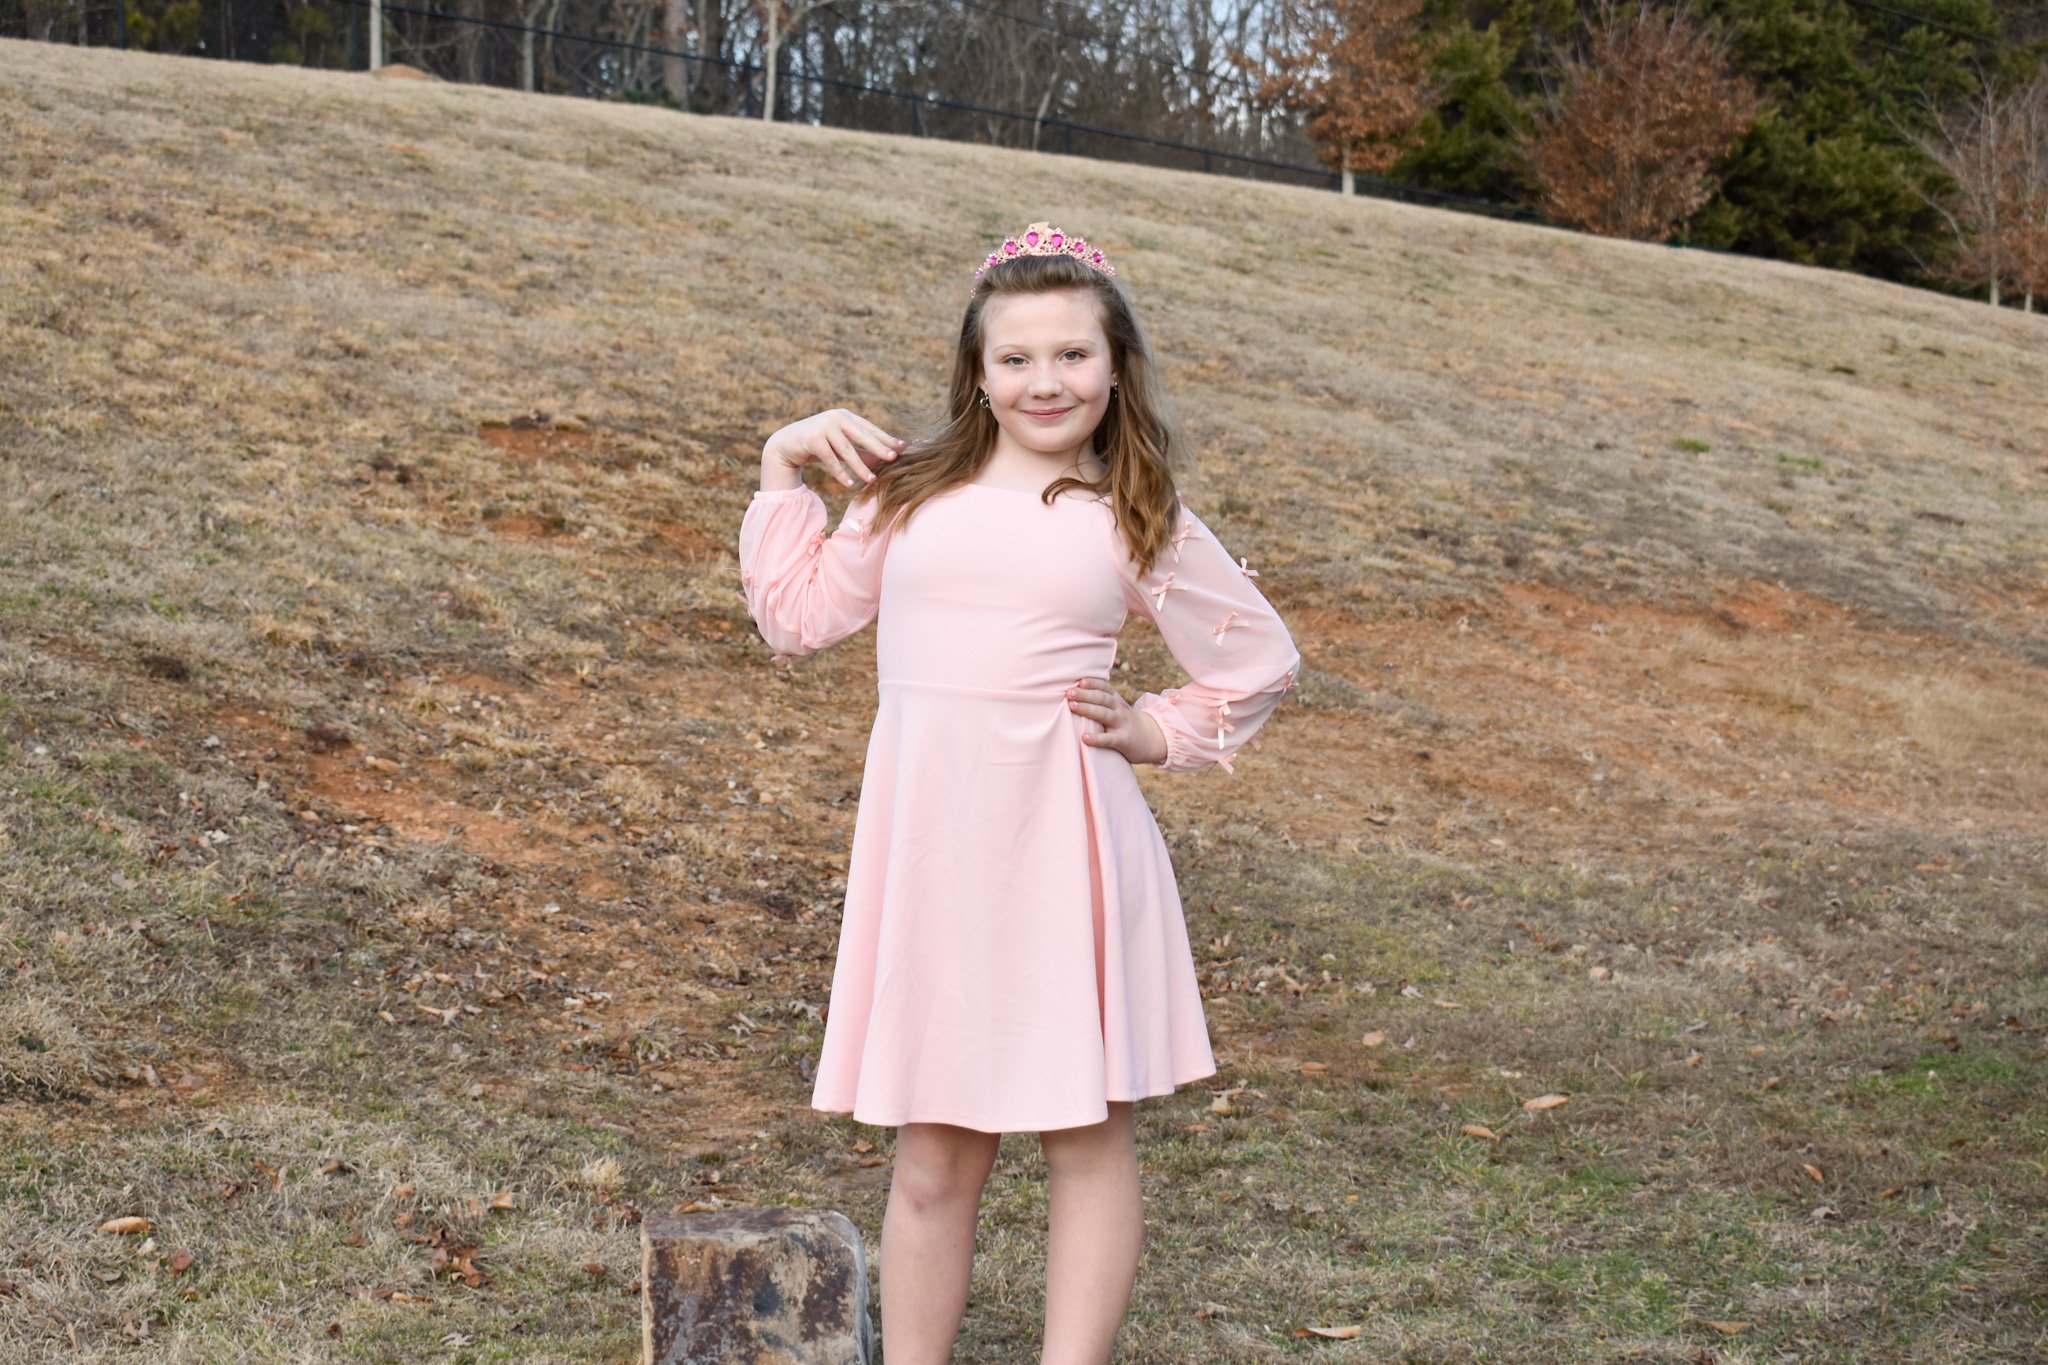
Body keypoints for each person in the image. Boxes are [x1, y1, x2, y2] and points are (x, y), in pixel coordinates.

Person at [737, 220, 1301, 1365]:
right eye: (1016, 358)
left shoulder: (1133, 511)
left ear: (1114, 366)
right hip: (935, 846)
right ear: (978, 373)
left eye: (1071, 355)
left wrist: (1152, 730)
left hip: (1066, 843)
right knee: (934, 1151)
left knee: (1083, 1134)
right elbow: (795, 620)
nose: (1045, 380)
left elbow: (1256, 661)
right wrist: (779, 463)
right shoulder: (905, 494)